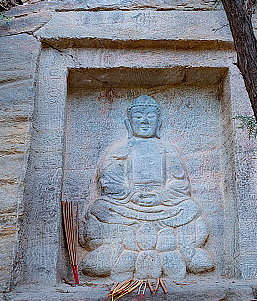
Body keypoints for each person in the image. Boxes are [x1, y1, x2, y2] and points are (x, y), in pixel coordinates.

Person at [79, 95, 214, 280]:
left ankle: (127, 252)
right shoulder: (120, 148)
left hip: (163, 206)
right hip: (128, 206)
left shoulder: (167, 148)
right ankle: (166, 251)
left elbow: (180, 184)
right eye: (138, 117)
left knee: (190, 207)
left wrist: (160, 197)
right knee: (100, 208)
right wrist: (131, 195)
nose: (144, 121)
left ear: (158, 122)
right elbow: (109, 181)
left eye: (150, 116)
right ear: (128, 123)